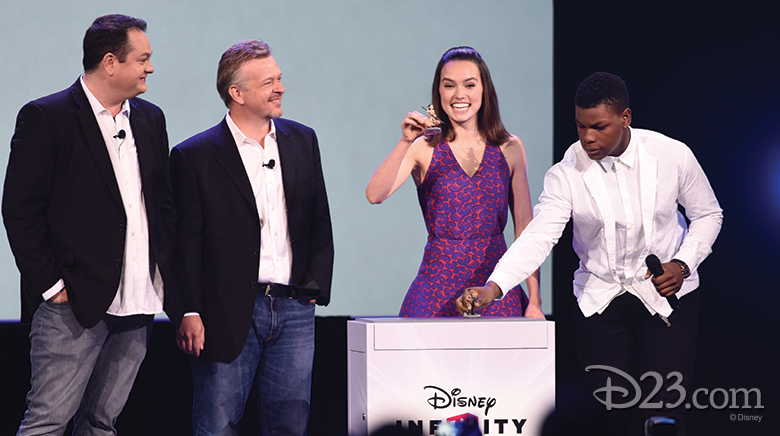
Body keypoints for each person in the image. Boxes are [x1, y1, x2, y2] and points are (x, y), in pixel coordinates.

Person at [456, 72, 723, 436]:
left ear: (625, 118)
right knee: (607, 417)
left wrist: (683, 263)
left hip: (666, 297)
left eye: (599, 126)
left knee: (664, 415)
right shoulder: (566, 174)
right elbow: (539, 236)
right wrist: (494, 287)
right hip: (600, 300)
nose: (587, 137)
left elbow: (708, 214)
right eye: (580, 126)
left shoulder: (672, 155)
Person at [1, 14, 178, 435]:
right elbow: (20, 209)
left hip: (137, 302)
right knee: (48, 421)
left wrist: (164, 277)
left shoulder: (150, 120)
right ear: (111, 61)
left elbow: (163, 206)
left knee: (102, 422)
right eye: (143, 58)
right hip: (73, 306)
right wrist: (51, 285)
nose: (150, 68)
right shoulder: (48, 116)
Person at [171, 40, 334, 435]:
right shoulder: (194, 155)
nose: (279, 88)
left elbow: (318, 220)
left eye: (279, 79)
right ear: (237, 93)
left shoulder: (303, 140)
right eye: (268, 83)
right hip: (226, 312)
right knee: (217, 425)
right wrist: (188, 310)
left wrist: (313, 284)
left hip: (293, 309)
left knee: (290, 425)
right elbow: (185, 245)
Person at [366, 46, 544, 318]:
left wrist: (534, 301)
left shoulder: (509, 148)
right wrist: (405, 141)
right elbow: (375, 194)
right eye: (449, 85)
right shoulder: (423, 147)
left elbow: (525, 231)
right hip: (436, 291)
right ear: (438, 92)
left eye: (469, 85)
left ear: (484, 90)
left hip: (494, 288)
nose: (459, 95)